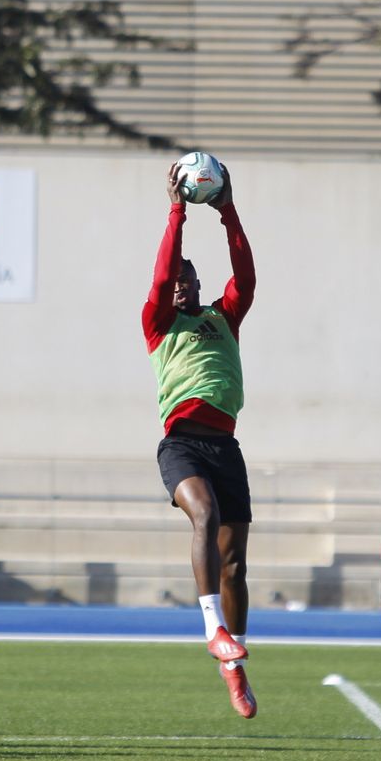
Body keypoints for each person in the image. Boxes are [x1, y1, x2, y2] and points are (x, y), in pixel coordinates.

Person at [143, 153, 258, 719]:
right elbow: (162, 274)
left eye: (189, 279)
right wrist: (177, 215)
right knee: (205, 517)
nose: (180, 285)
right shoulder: (159, 321)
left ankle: (234, 664)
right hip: (182, 440)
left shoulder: (223, 318)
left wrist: (227, 209)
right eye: (177, 282)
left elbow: (247, 274)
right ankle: (213, 629)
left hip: (226, 445)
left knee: (235, 564)